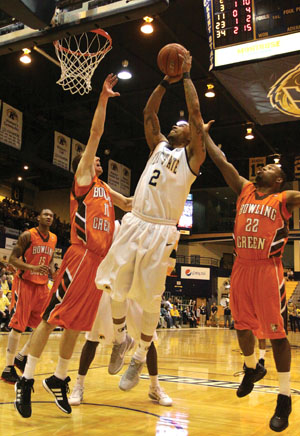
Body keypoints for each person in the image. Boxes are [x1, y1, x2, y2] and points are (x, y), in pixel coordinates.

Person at [14, 74, 132, 419]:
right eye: (92, 160)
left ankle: (59, 377)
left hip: (100, 264)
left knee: (78, 325)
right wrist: (104, 99)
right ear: (83, 163)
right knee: (51, 320)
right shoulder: (83, 181)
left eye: (97, 161)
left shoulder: (105, 192)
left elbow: (129, 202)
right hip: (79, 257)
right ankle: (27, 378)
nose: (97, 162)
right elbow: (95, 135)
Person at [95, 50, 205, 392]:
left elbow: (197, 116)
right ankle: (121, 339)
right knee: (113, 284)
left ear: (191, 137)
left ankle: (141, 356)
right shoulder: (158, 146)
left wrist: (186, 76)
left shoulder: (192, 159)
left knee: (149, 300)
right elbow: (149, 113)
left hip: (160, 231)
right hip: (135, 221)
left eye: (182, 126)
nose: (176, 125)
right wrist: (164, 81)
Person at [204, 123, 300, 432]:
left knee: (277, 335)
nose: (267, 166)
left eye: (273, 166)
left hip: (267, 270)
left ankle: (283, 398)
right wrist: (204, 136)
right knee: (241, 327)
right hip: (241, 267)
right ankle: (251, 368)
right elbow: (222, 161)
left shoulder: (284, 199)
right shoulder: (245, 189)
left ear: (279, 180)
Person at [69, 290, 172, 407]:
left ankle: (154, 387)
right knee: (93, 337)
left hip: (135, 287)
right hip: (110, 286)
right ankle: (78, 386)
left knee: (148, 338)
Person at [1, 209, 57, 384]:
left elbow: (49, 259)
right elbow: (12, 259)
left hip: (42, 287)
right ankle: (8, 368)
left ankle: (21, 356)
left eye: (52, 215)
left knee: (44, 326)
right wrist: (32, 268)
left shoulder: (54, 238)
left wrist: (54, 271)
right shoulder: (27, 235)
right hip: (24, 284)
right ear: (38, 217)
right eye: (45, 214)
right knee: (18, 327)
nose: (49, 217)